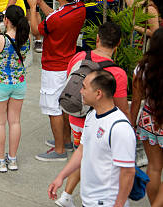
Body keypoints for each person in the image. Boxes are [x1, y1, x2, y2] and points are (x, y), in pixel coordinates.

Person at [54, 22, 129, 207]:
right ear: (118, 44)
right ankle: (71, 195)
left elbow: (70, 82)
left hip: (75, 117)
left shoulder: (79, 56)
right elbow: (120, 106)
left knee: (82, 154)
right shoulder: (117, 73)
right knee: (93, 161)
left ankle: (67, 194)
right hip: (98, 124)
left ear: (97, 38)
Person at [48, 70, 135, 207]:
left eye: (84, 87)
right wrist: (61, 177)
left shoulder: (119, 128)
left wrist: (119, 204)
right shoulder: (91, 115)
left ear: (98, 93)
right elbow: (82, 150)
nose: (80, 91)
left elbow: (128, 172)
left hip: (107, 203)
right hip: (89, 200)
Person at [27, 0, 87, 161]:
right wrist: (42, 3)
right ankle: (66, 141)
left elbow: (37, 30)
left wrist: (33, 7)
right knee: (63, 106)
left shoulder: (57, 18)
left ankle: (59, 150)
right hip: (68, 63)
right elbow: (54, 16)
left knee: (53, 109)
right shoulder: (79, 9)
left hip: (53, 66)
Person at [0, 5, 31, 172]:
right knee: (15, 121)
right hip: (19, 83)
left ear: (7, 20)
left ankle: (0, 160)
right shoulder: (26, 37)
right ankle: (12, 159)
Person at [131, 28, 163, 206]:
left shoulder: (142, 67)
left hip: (148, 120)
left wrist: (131, 124)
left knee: (154, 167)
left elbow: (136, 100)